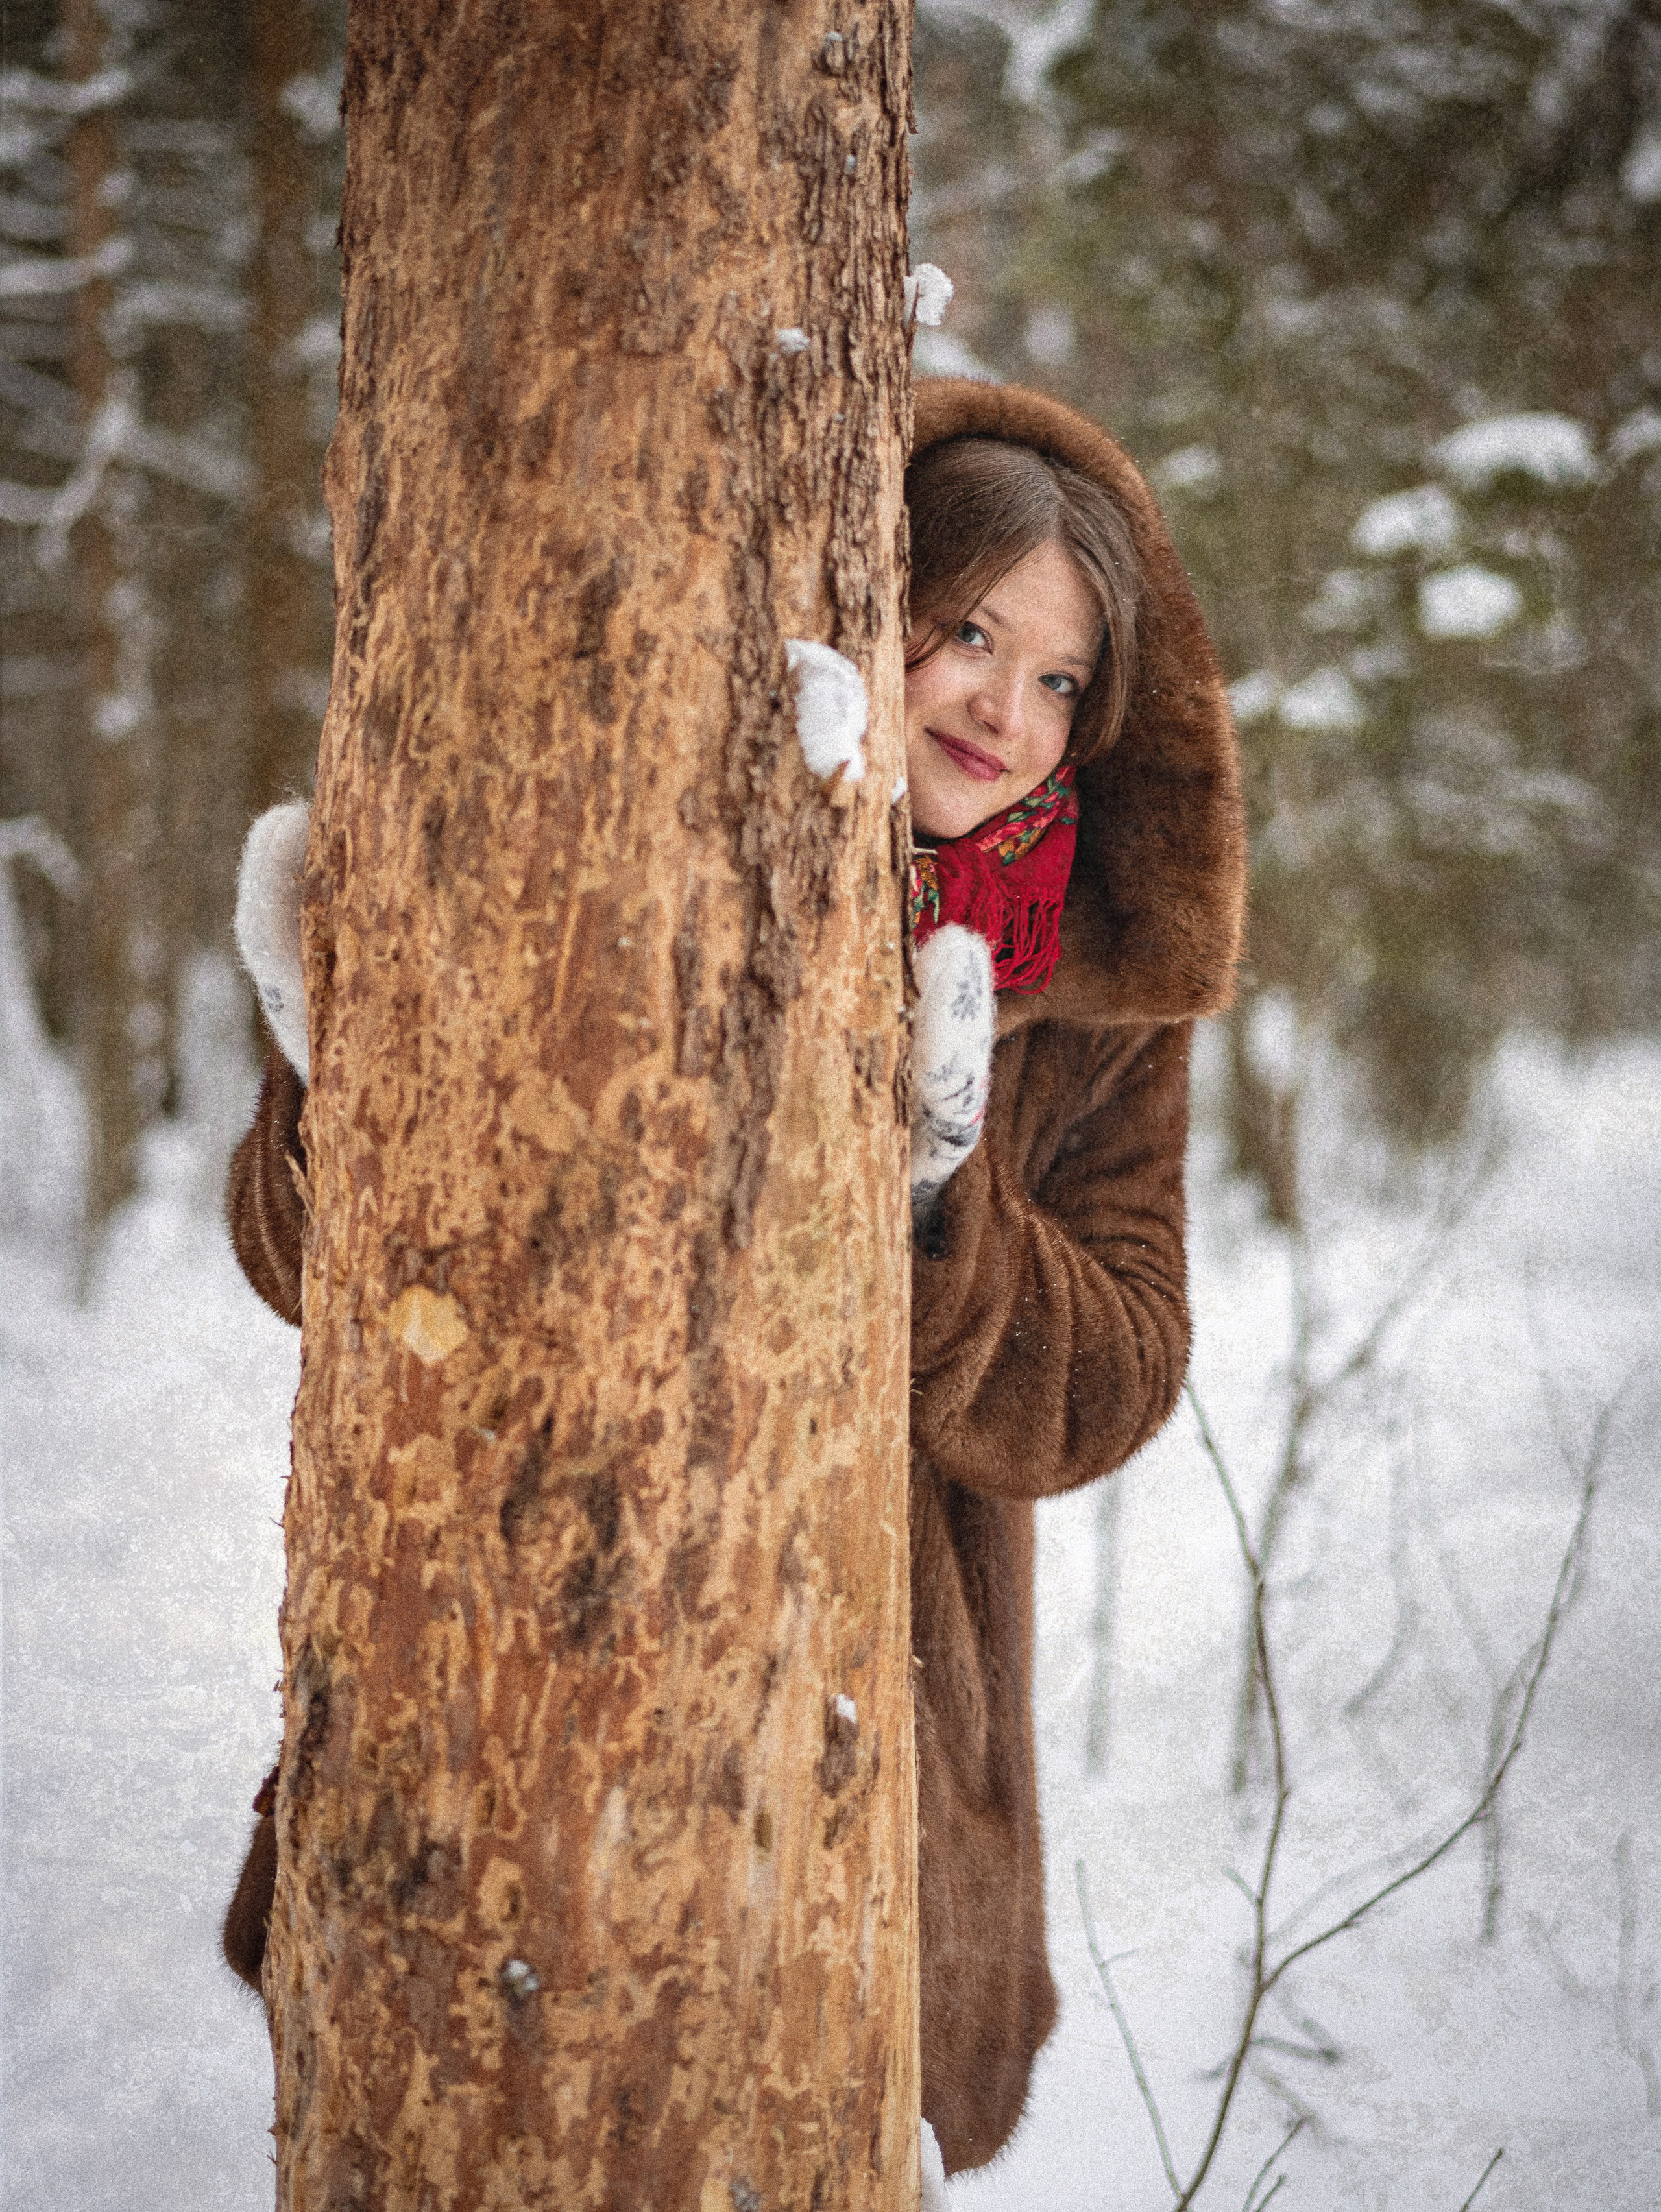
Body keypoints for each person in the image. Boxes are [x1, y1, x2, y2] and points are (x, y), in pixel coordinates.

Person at [221, 377, 1245, 2178]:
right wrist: (353, 1097)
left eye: (1063, 678)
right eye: (967, 633)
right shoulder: (652, 835)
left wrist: (945, 1208)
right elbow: (312, 1274)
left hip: (873, 1721)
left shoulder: (1086, 987)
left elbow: (1125, 1365)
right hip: (529, 1647)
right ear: (872, 601)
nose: (1005, 709)